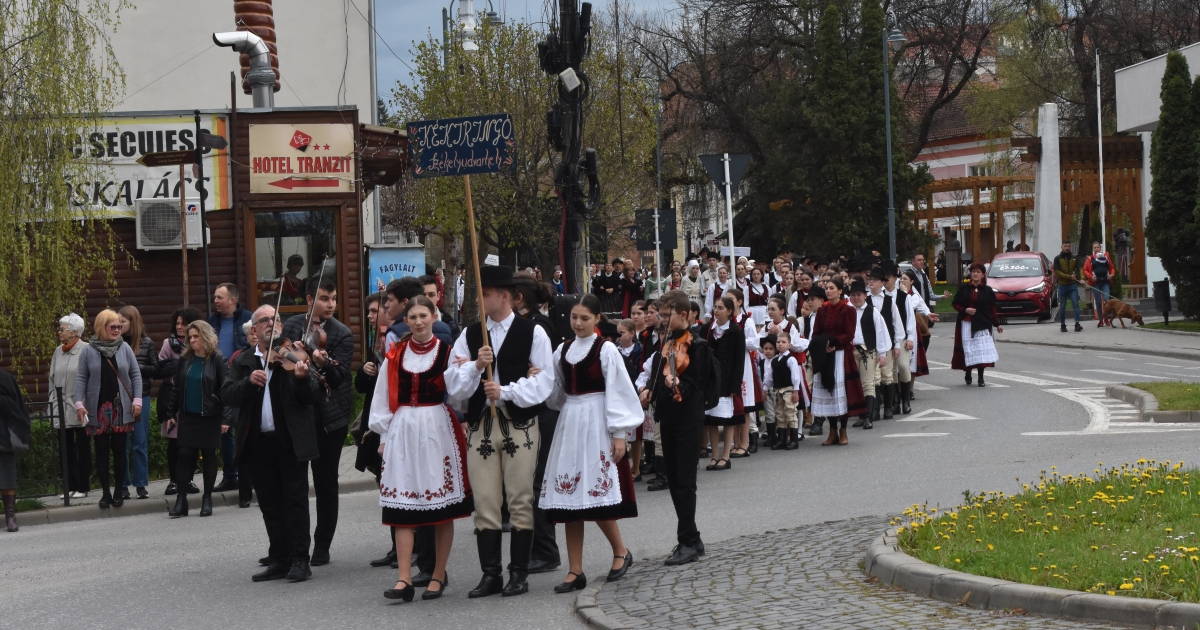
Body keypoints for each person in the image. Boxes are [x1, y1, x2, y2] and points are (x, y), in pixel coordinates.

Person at [444, 265, 555, 598]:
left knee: (520, 498)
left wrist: (505, 391)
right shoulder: (470, 334)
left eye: (486, 293)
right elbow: (454, 385)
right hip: (481, 426)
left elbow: (544, 383)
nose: (480, 299)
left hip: (519, 425)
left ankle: (518, 573)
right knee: (486, 501)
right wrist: (477, 366)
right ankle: (490, 574)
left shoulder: (533, 332)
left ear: (505, 296)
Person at [368, 296, 474, 602]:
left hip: (437, 428)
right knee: (402, 505)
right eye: (412, 317)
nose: (417, 321)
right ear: (406, 321)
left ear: (433, 316)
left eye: (423, 316)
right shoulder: (395, 354)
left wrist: (470, 370)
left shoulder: (448, 354)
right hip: (402, 428)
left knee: (441, 508)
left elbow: (459, 398)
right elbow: (382, 396)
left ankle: (438, 574)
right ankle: (404, 578)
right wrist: (383, 436)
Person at [541, 294, 642, 592]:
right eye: (574, 317)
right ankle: (575, 570)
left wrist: (619, 433)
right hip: (570, 422)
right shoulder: (562, 349)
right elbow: (557, 397)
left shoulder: (606, 349)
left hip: (598, 420)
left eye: (584, 318)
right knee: (570, 498)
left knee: (597, 493)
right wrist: (543, 381)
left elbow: (619, 390)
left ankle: (621, 551)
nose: (578, 323)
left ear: (597, 318)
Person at [223, 305, 321, 583]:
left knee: (295, 501)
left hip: (290, 441)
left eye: (276, 319)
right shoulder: (244, 361)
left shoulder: (294, 356)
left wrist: (301, 379)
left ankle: (300, 559)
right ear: (254, 329)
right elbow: (227, 394)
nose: (271, 323)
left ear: (281, 327)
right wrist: (248, 382)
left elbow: (313, 396)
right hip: (258, 443)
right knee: (269, 503)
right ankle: (279, 558)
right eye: (264, 320)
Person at [280, 276, 353, 567]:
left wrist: (322, 361)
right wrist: (293, 352)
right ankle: (294, 546)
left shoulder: (341, 333)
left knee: (326, 483)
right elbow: (282, 359)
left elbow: (338, 378)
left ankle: (322, 545)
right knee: (294, 485)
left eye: (333, 299)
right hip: (299, 416)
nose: (331, 304)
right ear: (310, 300)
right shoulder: (292, 326)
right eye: (324, 298)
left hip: (329, 418)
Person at [638, 291, 713, 565]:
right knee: (674, 481)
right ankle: (693, 537)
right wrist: (649, 390)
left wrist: (679, 385)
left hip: (688, 419)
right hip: (667, 417)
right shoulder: (667, 343)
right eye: (661, 315)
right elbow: (658, 374)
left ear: (683, 315)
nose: (662, 320)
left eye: (667, 316)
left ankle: (686, 543)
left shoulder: (698, 346)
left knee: (685, 483)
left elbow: (698, 385)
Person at [511, 273, 564, 576]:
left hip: (542, 411)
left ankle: (545, 550)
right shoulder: (528, 322)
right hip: (532, 411)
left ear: (518, 298)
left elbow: (542, 372)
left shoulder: (537, 327)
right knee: (529, 482)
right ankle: (536, 548)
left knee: (537, 482)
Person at [74, 309, 143, 509]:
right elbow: (81, 378)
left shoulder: (124, 348)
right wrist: (79, 403)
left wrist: (137, 400)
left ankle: (119, 491)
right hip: (97, 407)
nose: (117, 330)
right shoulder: (89, 350)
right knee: (102, 451)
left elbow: (135, 375)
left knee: (120, 451)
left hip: (121, 406)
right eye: (113, 326)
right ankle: (105, 493)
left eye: (119, 327)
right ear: (101, 327)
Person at [163, 321, 228, 518]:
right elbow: (176, 388)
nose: (192, 340)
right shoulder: (185, 360)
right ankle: (181, 500)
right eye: (190, 337)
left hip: (210, 416)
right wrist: (170, 414)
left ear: (206, 337)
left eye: (196, 336)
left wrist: (225, 419)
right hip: (188, 416)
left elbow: (226, 390)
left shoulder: (218, 360)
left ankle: (207, 499)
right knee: (184, 454)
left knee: (209, 455)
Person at [810, 277, 867, 446]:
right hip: (825, 355)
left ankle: (843, 431)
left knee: (841, 394)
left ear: (840, 291)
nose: (828, 291)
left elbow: (849, 334)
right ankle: (832, 431)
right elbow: (816, 332)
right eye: (826, 288)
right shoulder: (822, 311)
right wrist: (823, 344)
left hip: (841, 355)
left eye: (831, 288)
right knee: (828, 394)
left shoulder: (848, 310)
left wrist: (833, 343)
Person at [209, 283, 252, 494]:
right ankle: (229, 476)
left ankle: (248, 476)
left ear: (232, 300)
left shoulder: (248, 319)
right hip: (219, 381)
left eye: (219, 297)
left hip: (241, 380)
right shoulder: (212, 321)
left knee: (243, 428)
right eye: (215, 297)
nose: (215, 301)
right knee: (224, 431)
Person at [158, 308, 203, 497]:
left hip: (192, 396)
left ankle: (189, 479)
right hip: (173, 397)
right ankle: (174, 481)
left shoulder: (198, 344)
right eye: (177, 323)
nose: (179, 326)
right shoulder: (168, 344)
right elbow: (160, 368)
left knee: (191, 442)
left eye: (183, 323)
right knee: (174, 442)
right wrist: (178, 367)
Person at [118, 305, 160, 501]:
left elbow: (155, 368)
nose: (119, 325)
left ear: (132, 322)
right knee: (122, 443)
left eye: (123, 322)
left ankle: (141, 484)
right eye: (117, 321)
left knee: (139, 442)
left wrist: (134, 367)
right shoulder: (115, 343)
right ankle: (123, 484)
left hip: (141, 395)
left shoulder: (146, 342)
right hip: (120, 396)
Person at [698, 296, 744, 471]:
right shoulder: (707, 328)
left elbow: (739, 361)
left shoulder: (735, 331)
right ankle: (714, 456)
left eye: (720, 308)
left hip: (727, 380)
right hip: (711, 380)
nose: (716, 311)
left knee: (727, 419)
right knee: (711, 419)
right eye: (715, 307)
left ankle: (726, 456)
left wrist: (735, 385)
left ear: (729, 311)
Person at [50, 314, 90, 498]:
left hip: (80, 406)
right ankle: (70, 486)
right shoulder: (58, 351)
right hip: (61, 406)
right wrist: (52, 400)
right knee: (65, 448)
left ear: (75, 332)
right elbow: (52, 379)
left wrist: (86, 402)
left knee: (83, 447)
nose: (59, 332)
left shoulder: (87, 350)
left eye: (63, 329)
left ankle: (83, 487)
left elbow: (90, 378)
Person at [849, 279, 890, 430]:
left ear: (865, 296)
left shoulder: (873, 311)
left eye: (859, 295)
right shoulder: (847, 311)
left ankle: (868, 416)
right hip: (851, 351)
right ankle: (860, 415)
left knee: (867, 383)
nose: (856, 298)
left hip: (868, 351)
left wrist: (882, 354)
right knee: (856, 384)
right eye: (853, 295)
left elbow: (881, 333)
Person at [952, 263, 1002, 386]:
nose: (975, 274)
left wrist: (997, 324)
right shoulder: (964, 288)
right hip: (967, 323)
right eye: (973, 271)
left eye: (978, 272)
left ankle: (981, 378)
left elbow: (992, 308)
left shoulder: (988, 291)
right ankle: (968, 372)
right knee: (969, 350)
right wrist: (965, 310)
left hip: (982, 323)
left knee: (981, 351)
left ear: (983, 274)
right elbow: (955, 303)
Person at [864, 268, 903, 422]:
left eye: (875, 279)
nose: (871, 282)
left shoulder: (889, 300)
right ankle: (874, 409)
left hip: (887, 344)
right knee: (874, 377)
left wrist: (897, 344)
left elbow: (896, 323)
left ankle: (888, 407)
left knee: (887, 375)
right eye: (870, 279)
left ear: (882, 283)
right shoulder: (865, 300)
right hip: (870, 344)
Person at [1, 366, 31, 531]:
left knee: (7, 477)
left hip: (5, 435)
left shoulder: (6, 378)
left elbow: (18, 405)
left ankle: (10, 517)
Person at [764, 334, 804, 450]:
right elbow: (769, 377)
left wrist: (796, 391)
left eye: (783, 342)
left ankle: (794, 440)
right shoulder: (774, 360)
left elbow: (796, 376)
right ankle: (781, 440)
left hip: (788, 390)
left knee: (790, 413)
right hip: (777, 390)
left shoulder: (791, 359)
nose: (780, 344)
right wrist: (764, 389)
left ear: (789, 345)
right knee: (780, 414)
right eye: (778, 342)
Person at [420, 274, 462, 341]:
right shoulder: (408, 324)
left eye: (431, 295)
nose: (427, 299)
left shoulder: (449, 323)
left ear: (438, 296)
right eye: (423, 295)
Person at [1052, 241, 1083, 333]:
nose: (1067, 248)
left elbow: (1079, 269)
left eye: (1068, 246)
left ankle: (1077, 324)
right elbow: (1057, 272)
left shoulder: (1074, 258)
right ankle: (1063, 325)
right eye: (1065, 246)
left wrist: (1082, 278)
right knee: (1062, 305)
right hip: (1062, 286)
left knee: (1075, 303)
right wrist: (1069, 277)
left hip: (1072, 285)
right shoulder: (1057, 258)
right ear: (1061, 247)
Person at [1083, 242, 1112, 325]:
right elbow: (1085, 269)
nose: (1096, 249)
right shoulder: (1090, 259)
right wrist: (1090, 277)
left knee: (1106, 299)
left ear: (1100, 248)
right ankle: (1101, 319)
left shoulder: (1106, 257)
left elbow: (1111, 267)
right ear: (1093, 249)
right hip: (1095, 283)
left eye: (1097, 247)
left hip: (1105, 282)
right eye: (1094, 248)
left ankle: (1106, 318)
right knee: (1098, 302)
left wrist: (1112, 274)